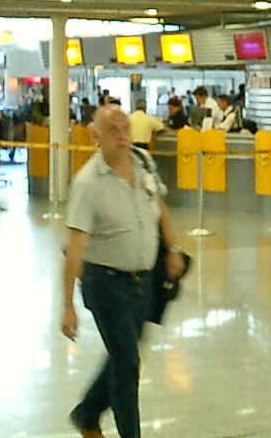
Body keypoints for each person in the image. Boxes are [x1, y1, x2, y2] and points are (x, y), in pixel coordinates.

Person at [62, 105, 185, 438]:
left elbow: (159, 207)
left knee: (123, 357)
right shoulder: (88, 183)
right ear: (95, 137)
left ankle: (87, 414)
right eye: (113, 130)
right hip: (106, 284)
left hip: (144, 281)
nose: (122, 136)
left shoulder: (143, 163)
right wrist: (68, 306)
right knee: (127, 364)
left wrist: (172, 249)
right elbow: (74, 247)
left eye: (125, 129)